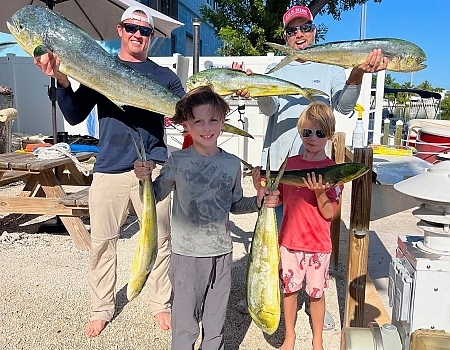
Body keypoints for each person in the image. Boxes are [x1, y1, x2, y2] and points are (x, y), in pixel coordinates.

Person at [233, 4, 388, 329]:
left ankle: (313, 295)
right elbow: (269, 107)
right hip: (279, 170)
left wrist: (357, 73)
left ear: (314, 31)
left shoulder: (330, 67)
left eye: (305, 28)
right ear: (286, 36)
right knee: (270, 237)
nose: (299, 34)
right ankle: (260, 295)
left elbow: (344, 106)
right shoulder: (276, 68)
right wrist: (255, 87)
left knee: (311, 238)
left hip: (314, 172)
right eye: (292, 30)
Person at [34, 6, 186, 337]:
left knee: (162, 242)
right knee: (103, 241)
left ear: (151, 36)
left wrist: (225, 101)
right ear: (120, 30)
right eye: (131, 27)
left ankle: (161, 303)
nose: (137, 34)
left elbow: (187, 115)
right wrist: (60, 78)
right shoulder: (100, 68)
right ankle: (101, 307)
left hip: (154, 166)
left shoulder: (166, 77)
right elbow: (74, 115)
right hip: (109, 166)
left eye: (144, 30)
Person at [134, 85, 280, 350]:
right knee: (185, 320)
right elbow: (154, 195)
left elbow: (235, 204)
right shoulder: (177, 161)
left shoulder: (232, 163)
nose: (206, 127)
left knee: (215, 322)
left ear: (223, 122)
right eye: (198, 121)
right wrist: (143, 179)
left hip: (222, 253)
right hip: (186, 255)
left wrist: (259, 201)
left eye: (213, 119)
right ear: (186, 124)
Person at [253, 102, 343, 350]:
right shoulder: (289, 164)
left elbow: (329, 213)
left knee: (316, 293)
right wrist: (259, 187)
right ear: (300, 131)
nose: (312, 138)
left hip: (318, 243)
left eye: (320, 133)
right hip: (290, 240)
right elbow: (276, 198)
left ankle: (317, 340)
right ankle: (289, 335)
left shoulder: (334, 170)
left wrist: (321, 192)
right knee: (289, 290)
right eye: (307, 132)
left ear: (330, 135)